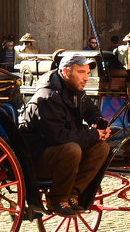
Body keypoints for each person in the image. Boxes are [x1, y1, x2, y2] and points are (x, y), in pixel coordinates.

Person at [18, 53, 112, 216]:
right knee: (72, 149)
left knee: (102, 148)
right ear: (66, 71)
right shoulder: (47, 98)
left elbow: (91, 110)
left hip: (59, 154)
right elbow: (59, 137)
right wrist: (93, 135)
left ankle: (72, 195)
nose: (86, 78)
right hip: (35, 160)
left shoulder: (75, 90)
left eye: (88, 73)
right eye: (81, 72)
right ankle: (58, 199)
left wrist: (98, 123)